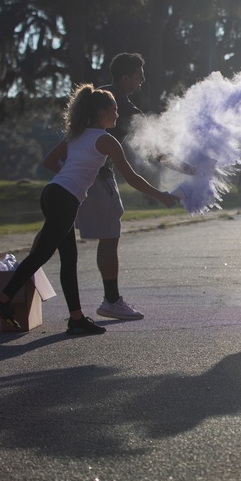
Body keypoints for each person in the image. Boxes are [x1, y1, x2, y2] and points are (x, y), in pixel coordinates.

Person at [0, 85, 177, 335]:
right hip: (64, 199)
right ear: (101, 113)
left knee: (69, 259)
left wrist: (72, 178)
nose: (117, 115)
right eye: (114, 110)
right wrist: (161, 196)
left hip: (53, 193)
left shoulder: (77, 134)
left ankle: (76, 318)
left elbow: (49, 161)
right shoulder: (106, 140)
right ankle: (2, 301)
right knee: (41, 254)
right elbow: (131, 178)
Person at [75, 52, 149, 320]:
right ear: (126, 77)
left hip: (75, 172)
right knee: (109, 237)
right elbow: (154, 150)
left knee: (52, 238)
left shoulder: (99, 95)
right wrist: (185, 168)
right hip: (97, 177)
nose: (143, 80)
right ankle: (112, 301)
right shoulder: (122, 108)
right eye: (140, 75)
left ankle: (7, 292)